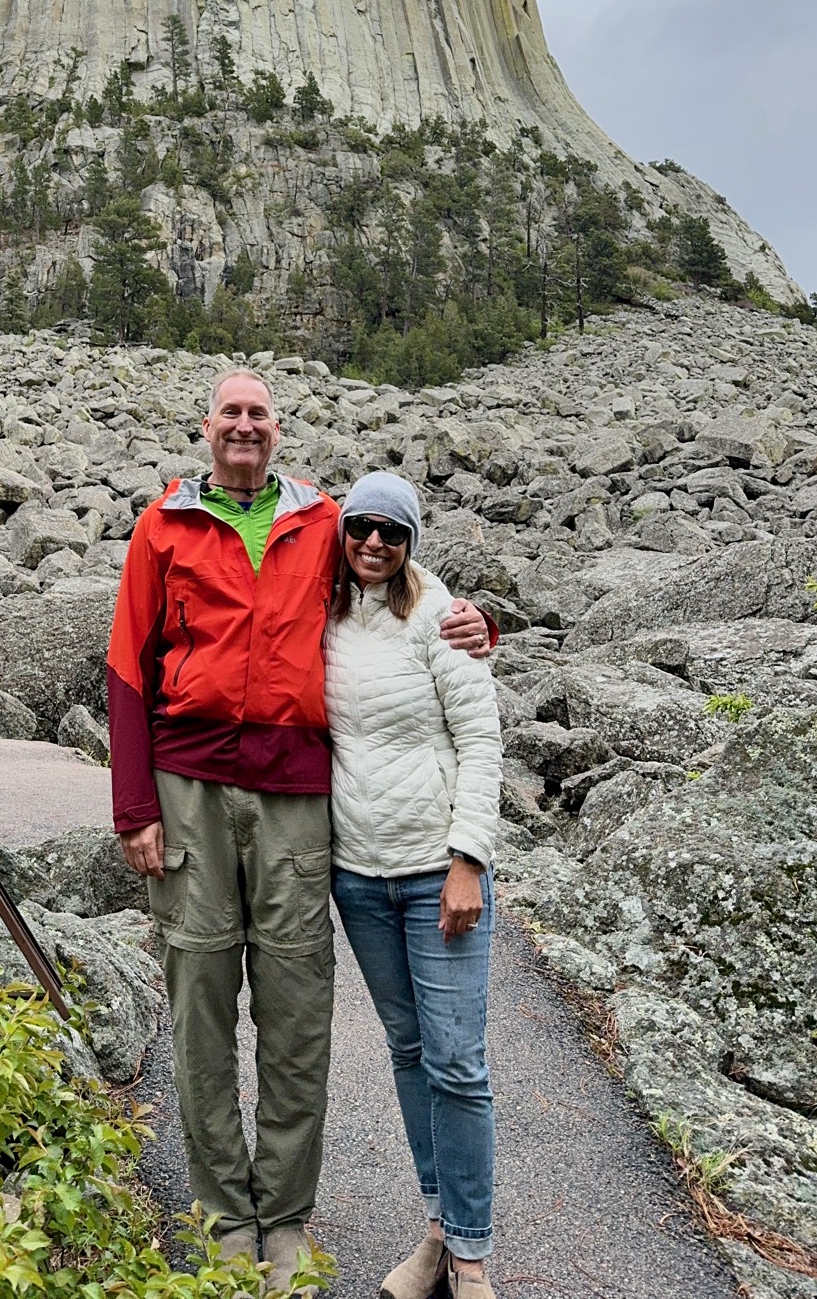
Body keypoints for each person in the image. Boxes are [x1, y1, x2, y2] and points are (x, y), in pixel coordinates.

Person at [107, 371, 494, 1291]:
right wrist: (135, 810)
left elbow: (396, 570)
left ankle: (283, 1220)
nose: (245, 427)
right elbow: (128, 667)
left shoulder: (323, 522)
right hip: (188, 782)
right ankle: (222, 1217)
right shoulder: (162, 527)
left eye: (259, 415)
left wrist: (475, 623)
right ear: (207, 429)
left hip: (293, 793)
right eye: (230, 413)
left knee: (295, 1014)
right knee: (199, 1001)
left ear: (278, 431)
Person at [325, 472, 502, 1299]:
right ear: (342, 528)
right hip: (359, 877)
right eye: (361, 526)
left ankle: (469, 1254)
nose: (373, 543)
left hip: (438, 875)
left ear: (411, 543)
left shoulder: (439, 616)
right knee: (409, 1052)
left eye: (392, 533)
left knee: (458, 1064)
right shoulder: (318, 612)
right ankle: (435, 1228)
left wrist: (468, 857)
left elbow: (482, 740)